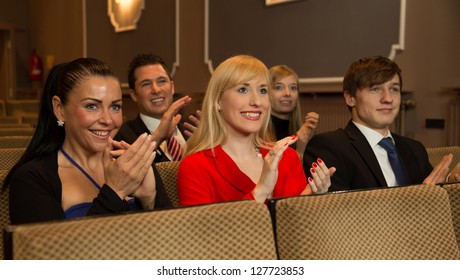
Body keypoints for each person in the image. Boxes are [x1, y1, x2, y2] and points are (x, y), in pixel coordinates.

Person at [4, 58, 171, 225]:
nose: (107, 120)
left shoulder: (132, 165)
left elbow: (174, 243)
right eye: (92, 106)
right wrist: (115, 191)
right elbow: (55, 251)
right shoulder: (32, 179)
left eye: (115, 107)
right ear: (60, 109)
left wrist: (150, 201)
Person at [177, 55, 335, 206]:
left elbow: (296, 230)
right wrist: (261, 191)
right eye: (242, 90)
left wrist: (309, 199)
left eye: (263, 91)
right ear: (218, 101)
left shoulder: (287, 158)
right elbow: (205, 233)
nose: (257, 101)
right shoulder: (195, 167)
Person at [303, 55, 460, 192]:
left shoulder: (414, 149)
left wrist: (450, 183)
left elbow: (433, 194)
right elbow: (338, 216)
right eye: (375, 89)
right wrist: (418, 200)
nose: (388, 98)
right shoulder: (329, 147)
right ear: (350, 98)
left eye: (394, 89)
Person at [114, 53, 200, 162]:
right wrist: (158, 137)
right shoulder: (123, 136)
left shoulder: (191, 127)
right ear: (133, 95)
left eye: (162, 81)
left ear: (172, 87)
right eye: (146, 84)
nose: (156, 90)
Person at [268, 65, 319, 159]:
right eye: (279, 87)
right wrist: (300, 149)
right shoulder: (257, 132)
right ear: (266, 93)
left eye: (293, 88)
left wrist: (310, 141)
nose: (287, 93)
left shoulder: (302, 131)